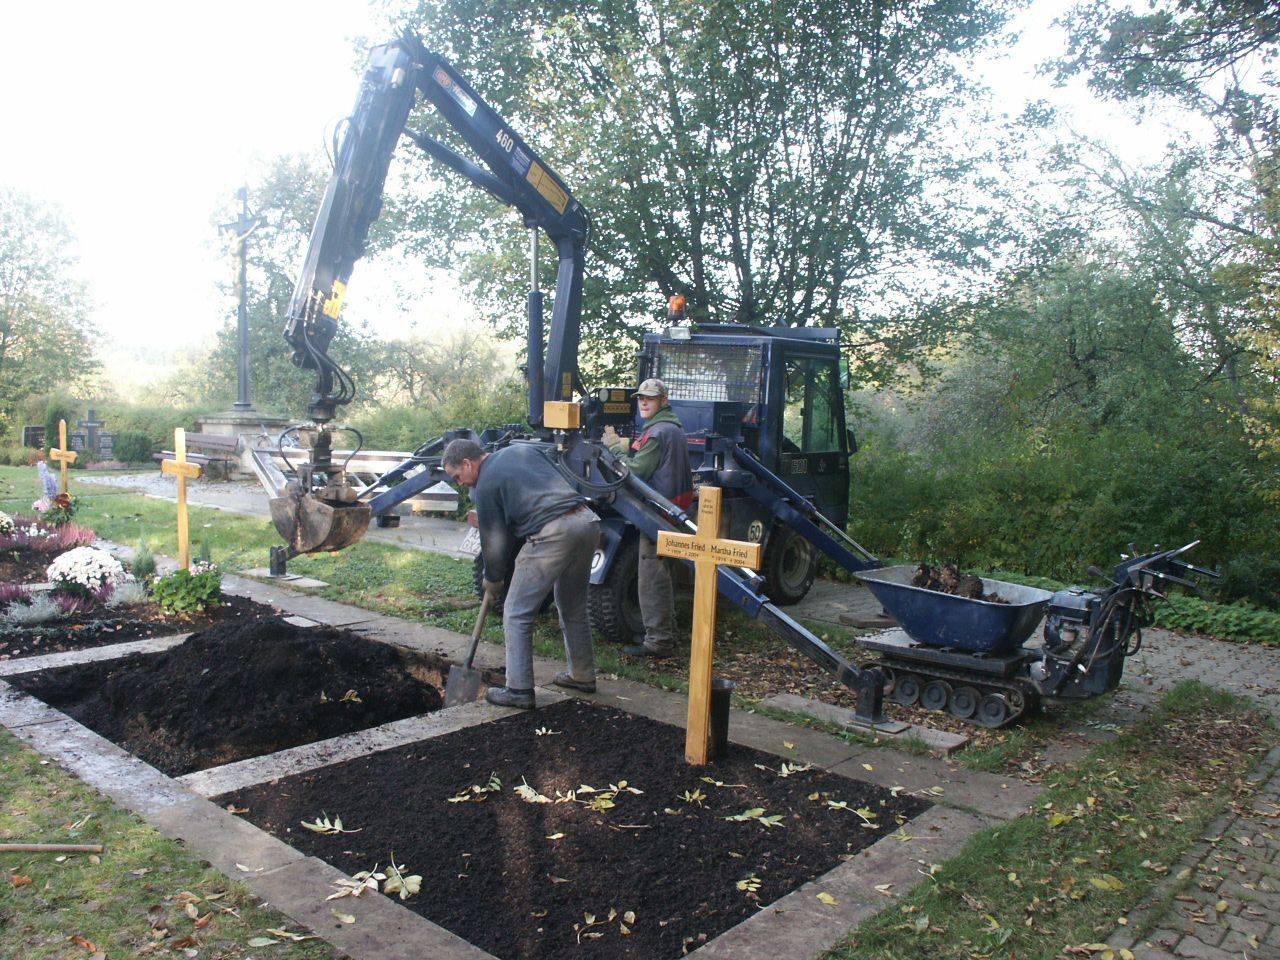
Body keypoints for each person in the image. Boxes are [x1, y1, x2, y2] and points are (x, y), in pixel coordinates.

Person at [442, 438, 600, 709]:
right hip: (587, 523)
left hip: (553, 532)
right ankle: (582, 675)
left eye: (458, 476)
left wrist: (492, 580)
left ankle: (518, 689)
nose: (461, 482)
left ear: (468, 463)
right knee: (572, 605)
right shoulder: (521, 450)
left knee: (516, 611)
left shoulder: (486, 485)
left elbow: (494, 542)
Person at [602, 378, 693, 658]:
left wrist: (615, 448)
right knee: (662, 576)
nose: (643, 402)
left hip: (658, 514)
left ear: (663, 401)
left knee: (651, 577)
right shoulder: (671, 429)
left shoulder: (657, 433)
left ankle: (659, 642)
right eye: (640, 397)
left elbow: (636, 472)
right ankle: (665, 632)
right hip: (673, 510)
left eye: (650, 399)